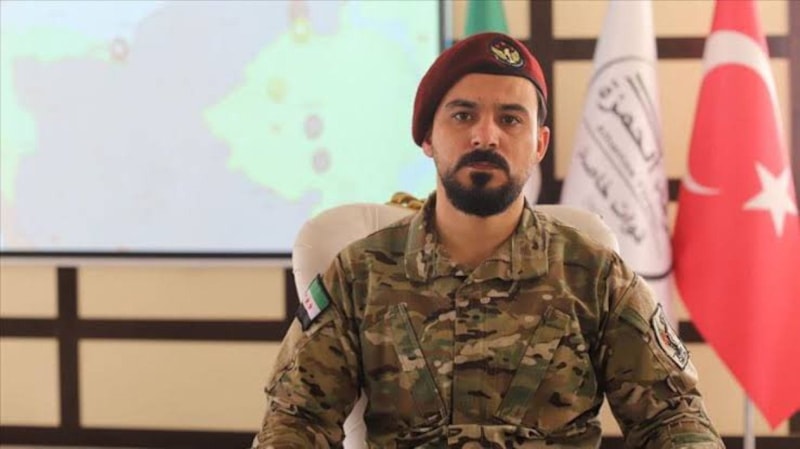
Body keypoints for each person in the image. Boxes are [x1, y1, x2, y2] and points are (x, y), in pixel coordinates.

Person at [255, 32, 723, 448]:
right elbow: (296, 420)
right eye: (463, 115)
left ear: (539, 144)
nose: (485, 136)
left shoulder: (595, 277)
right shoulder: (361, 274)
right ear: (427, 138)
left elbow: (673, 418)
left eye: (510, 119)